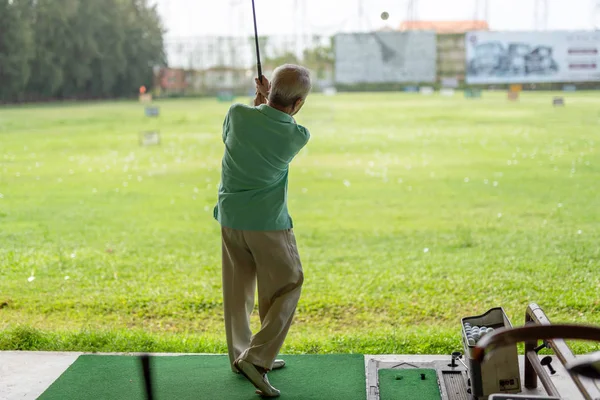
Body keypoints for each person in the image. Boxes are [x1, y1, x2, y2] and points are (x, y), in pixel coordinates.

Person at [213, 64, 312, 397]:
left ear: (268, 92)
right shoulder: (297, 135)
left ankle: (241, 354)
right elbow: (275, 126)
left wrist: (259, 102)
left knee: (238, 290)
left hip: (230, 217)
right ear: (298, 104)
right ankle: (256, 358)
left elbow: (245, 131)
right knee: (288, 283)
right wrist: (268, 102)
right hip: (267, 224)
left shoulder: (237, 115)